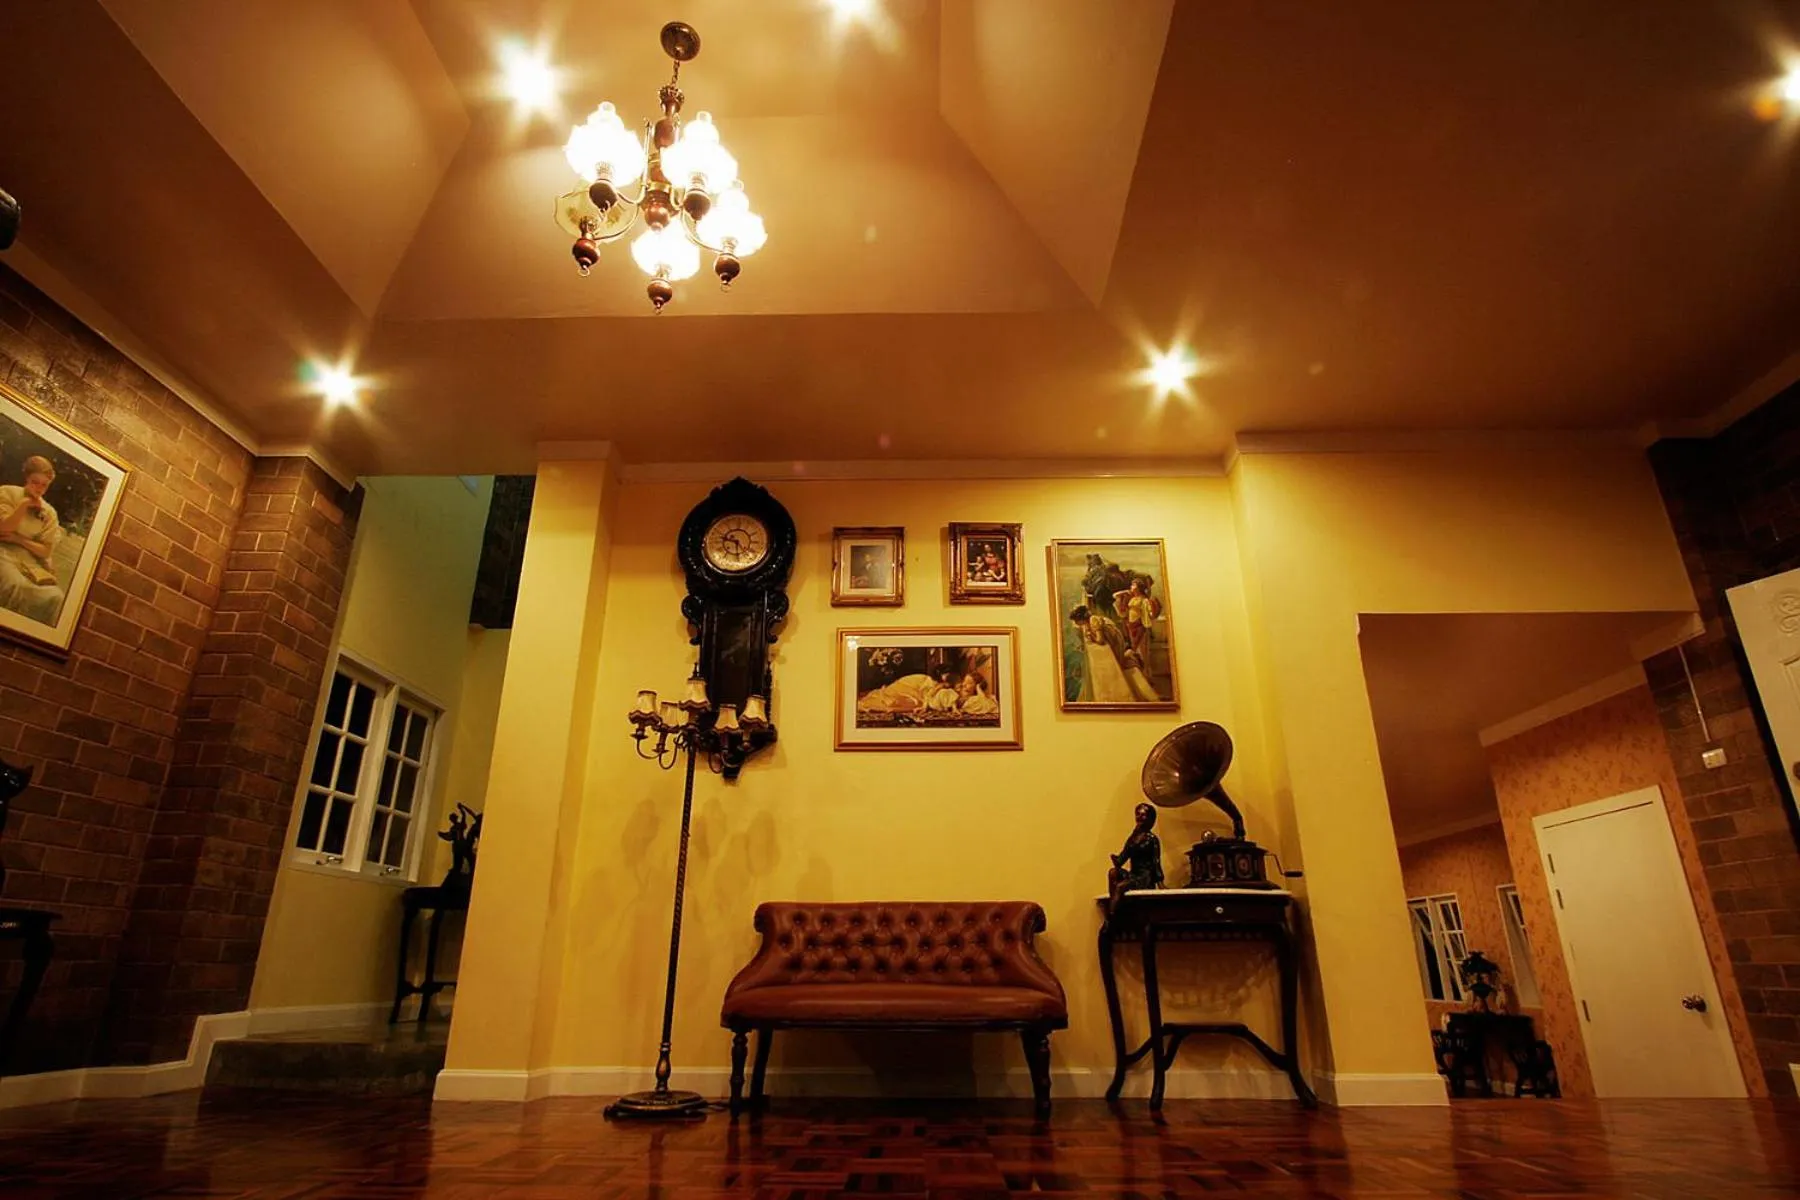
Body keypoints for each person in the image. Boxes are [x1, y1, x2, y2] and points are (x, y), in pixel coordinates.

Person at [0, 455, 65, 625]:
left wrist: (18, 539)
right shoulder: (8, 493)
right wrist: (23, 505)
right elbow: (4, 529)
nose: (39, 489)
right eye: (35, 482)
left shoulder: (49, 512)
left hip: (30, 561)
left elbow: (46, 550)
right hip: (3, 553)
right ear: (26, 478)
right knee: (15, 584)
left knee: (56, 596)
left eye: (44, 485)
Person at [1108, 802, 1164, 904]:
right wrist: (1116, 860)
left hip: (1144, 878)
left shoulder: (1152, 839)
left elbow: (1156, 862)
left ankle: (1111, 916)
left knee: (1120, 887)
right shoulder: (1133, 839)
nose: (1139, 817)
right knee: (1112, 872)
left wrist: (1160, 884)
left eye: (1143, 815)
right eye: (1137, 814)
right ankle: (1115, 906)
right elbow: (1122, 859)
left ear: (1149, 818)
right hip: (1133, 875)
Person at [1112, 576, 1161, 667]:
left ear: (1139, 587)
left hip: (1140, 627)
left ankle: (1145, 674)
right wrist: (1125, 591)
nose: (1131, 586)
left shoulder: (1144, 600)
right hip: (1131, 626)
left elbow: (1149, 614)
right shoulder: (1132, 598)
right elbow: (1115, 596)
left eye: (1133, 585)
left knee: (1142, 650)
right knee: (1135, 649)